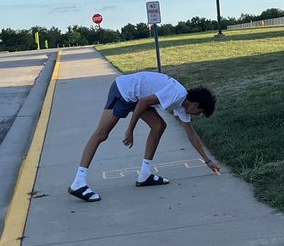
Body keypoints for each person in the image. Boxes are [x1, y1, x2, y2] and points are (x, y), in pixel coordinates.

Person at [68, 71, 219, 202]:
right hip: (123, 91)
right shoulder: (177, 94)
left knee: (159, 125)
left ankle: (145, 175)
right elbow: (143, 102)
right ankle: (78, 182)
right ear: (195, 104)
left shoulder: (182, 105)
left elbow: (191, 134)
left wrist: (207, 160)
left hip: (137, 96)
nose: (197, 115)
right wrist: (130, 130)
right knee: (101, 134)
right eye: (199, 112)